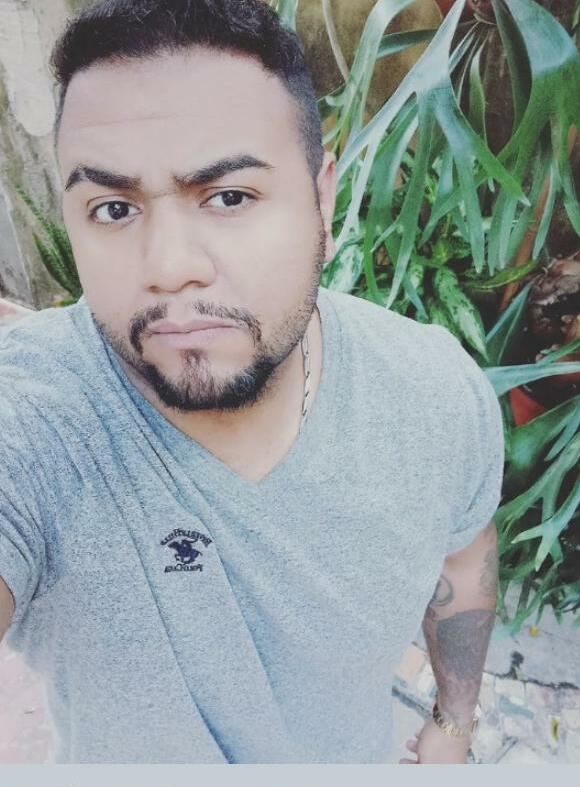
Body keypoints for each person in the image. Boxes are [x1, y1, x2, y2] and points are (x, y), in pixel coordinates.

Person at [0, 0, 504, 765]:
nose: (170, 265)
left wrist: (454, 720)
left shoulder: (433, 396)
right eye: (113, 207)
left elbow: (465, 564)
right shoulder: (36, 422)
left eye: (230, 196)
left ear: (322, 197)